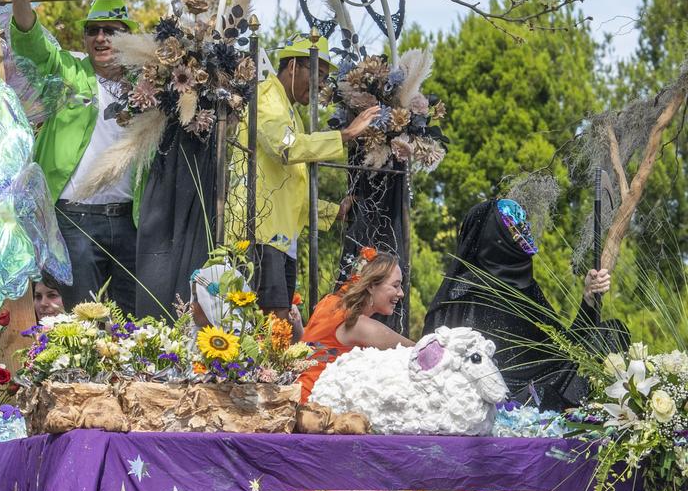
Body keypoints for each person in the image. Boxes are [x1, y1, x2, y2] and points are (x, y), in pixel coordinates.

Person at [0, 0, 146, 317]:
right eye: (93, 30)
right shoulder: (70, 73)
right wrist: (20, 1)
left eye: (111, 30)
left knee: (134, 319)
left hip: (128, 220)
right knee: (79, 321)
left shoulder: (148, 88)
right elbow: (35, 50)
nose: (101, 37)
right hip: (75, 221)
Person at [226, 35, 380, 319]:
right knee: (272, 326)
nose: (322, 84)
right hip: (258, 235)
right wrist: (344, 136)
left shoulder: (289, 111)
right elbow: (285, 147)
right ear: (294, 66)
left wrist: (334, 212)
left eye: (324, 77)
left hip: (279, 238)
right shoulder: (266, 97)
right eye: (318, 74)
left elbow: (291, 191)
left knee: (279, 327)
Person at [422, 198, 612, 410]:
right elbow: (434, 366)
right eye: (514, 230)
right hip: (481, 407)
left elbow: (566, 350)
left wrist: (588, 299)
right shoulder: (462, 293)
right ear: (493, 237)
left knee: (611, 332)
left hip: (542, 395)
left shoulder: (527, 290)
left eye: (524, 228)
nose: (523, 237)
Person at [298, 249, 414, 402]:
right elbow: (418, 349)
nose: (401, 294)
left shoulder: (329, 302)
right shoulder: (360, 326)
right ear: (371, 286)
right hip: (314, 406)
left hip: (297, 392)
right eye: (396, 286)